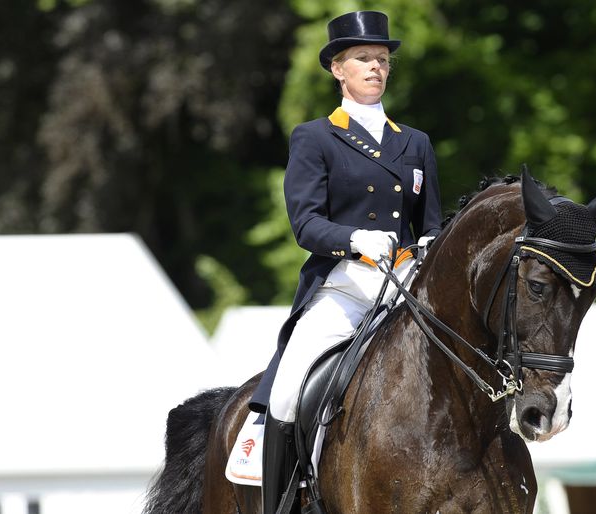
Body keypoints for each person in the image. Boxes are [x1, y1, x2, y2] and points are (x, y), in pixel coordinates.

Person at [249, 10, 442, 513]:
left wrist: (429, 247)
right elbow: (306, 224)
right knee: (289, 388)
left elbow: (433, 224)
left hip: (406, 284)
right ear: (338, 69)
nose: (376, 67)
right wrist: (356, 238)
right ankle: (280, 503)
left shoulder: (414, 142)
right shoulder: (315, 137)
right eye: (363, 59)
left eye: (382, 60)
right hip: (346, 286)